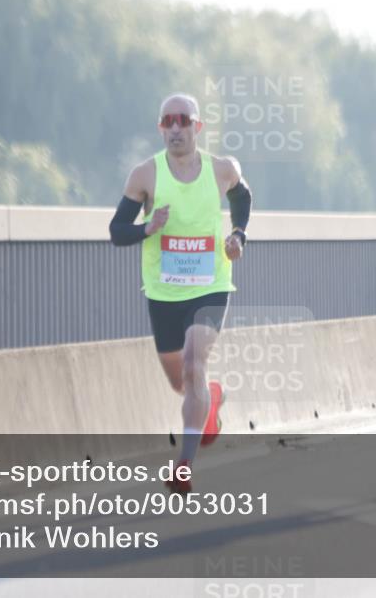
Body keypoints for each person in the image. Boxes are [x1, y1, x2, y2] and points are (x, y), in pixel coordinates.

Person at [109, 92, 251, 492]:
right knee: (182, 382)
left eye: (183, 120)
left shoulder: (222, 169)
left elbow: (242, 197)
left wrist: (238, 235)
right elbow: (117, 231)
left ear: (197, 127)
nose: (175, 128)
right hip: (163, 292)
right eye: (168, 121)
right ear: (160, 128)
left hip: (211, 286)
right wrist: (147, 228)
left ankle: (184, 465)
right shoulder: (145, 175)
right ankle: (210, 402)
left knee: (193, 362)